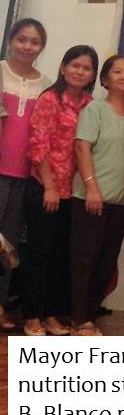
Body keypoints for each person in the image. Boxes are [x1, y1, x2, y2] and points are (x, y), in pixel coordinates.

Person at [23, 45, 98, 336]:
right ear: (64, 67)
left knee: (62, 255)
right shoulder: (50, 99)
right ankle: (32, 315)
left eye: (86, 67)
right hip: (46, 188)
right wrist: (50, 187)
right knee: (39, 253)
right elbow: (38, 144)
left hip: (74, 192)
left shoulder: (91, 104)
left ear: (93, 74)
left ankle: (52, 314)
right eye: (75, 65)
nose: (80, 71)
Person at [70, 54, 124, 336]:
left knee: (107, 262)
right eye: (117, 71)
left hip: (121, 202)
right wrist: (92, 188)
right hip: (90, 197)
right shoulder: (95, 109)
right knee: (84, 260)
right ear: (105, 79)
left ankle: (89, 315)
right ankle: (79, 319)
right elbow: (82, 148)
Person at [0, 18, 49, 331]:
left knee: (9, 244)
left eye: (34, 41)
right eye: (22, 39)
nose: (27, 46)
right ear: (11, 41)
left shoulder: (46, 85)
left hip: (25, 175)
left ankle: (1, 305)